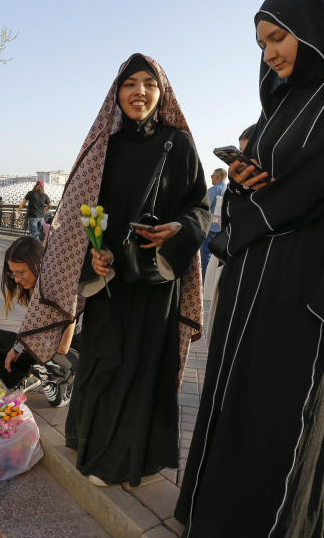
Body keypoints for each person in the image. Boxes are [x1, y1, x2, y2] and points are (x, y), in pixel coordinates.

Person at [174, 0, 324, 538]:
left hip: (301, 282)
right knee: (233, 392)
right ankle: (212, 519)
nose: (269, 52)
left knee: (277, 401)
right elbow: (273, 177)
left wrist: (263, 194)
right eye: (261, 42)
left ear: (314, 30)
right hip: (252, 271)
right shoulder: (288, 98)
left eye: (278, 37)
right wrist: (247, 179)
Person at [18, 54, 209, 488]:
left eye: (149, 84)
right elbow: (78, 215)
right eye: (130, 84)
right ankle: (93, 444)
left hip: (155, 279)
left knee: (142, 366)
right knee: (103, 360)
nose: (139, 92)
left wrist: (179, 227)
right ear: (116, 92)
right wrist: (93, 255)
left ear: (162, 93)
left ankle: (128, 460)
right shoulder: (104, 145)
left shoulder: (177, 144)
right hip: (106, 278)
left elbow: (198, 206)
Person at [0, 236, 78, 407]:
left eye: (21, 273)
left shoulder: (60, 289)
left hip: (69, 351)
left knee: (55, 401)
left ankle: (65, 379)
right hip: (44, 346)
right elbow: (34, 328)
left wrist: (24, 346)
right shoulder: (32, 288)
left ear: (39, 262)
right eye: (13, 273)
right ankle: (23, 379)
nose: (16, 280)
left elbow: (62, 346)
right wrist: (19, 346)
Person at [199, 167, 228, 281]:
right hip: (222, 230)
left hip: (210, 228)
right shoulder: (228, 190)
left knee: (205, 255)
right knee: (216, 259)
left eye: (212, 176)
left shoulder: (213, 190)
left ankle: (204, 281)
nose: (211, 178)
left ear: (217, 177)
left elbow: (203, 207)